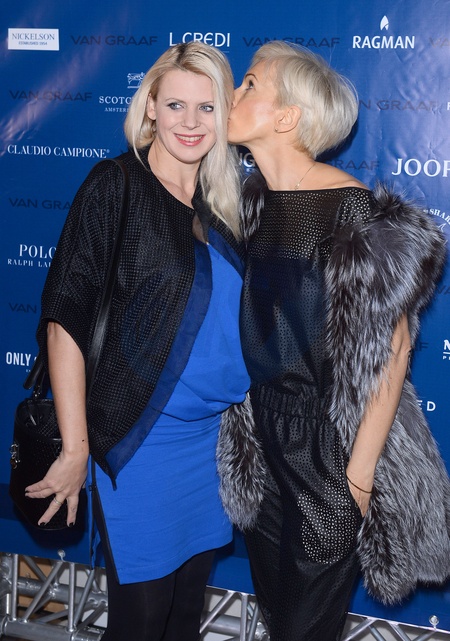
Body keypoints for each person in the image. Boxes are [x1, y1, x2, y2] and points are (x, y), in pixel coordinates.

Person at [218, 41, 450, 641]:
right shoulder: (255, 203)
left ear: (287, 116)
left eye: (249, 84)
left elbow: (391, 355)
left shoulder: (352, 214)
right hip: (263, 443)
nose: (232, 93)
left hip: (329, 454)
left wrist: (357, 481)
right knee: (280, 622)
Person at [24, 41, 249, 641]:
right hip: (139, 442)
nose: (191, 122)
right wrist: (76, 449)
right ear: (149, 106)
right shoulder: (116, 185)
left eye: (207, 107)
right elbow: (64, 319)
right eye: (175, 105)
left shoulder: (224, 205)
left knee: (183, 616)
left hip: (211, 445)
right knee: (142, 619)